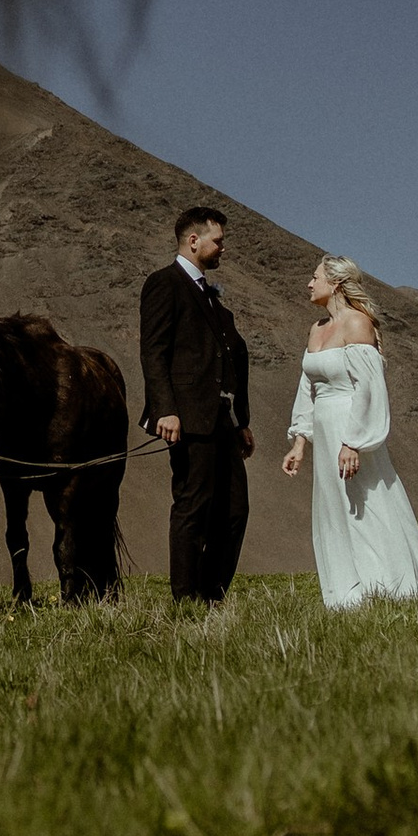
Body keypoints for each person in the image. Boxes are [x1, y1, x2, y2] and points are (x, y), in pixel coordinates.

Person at [280, 254, 418, 607]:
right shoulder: (316, 330)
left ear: (335, 283)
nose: (309, 283)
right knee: (334, 508)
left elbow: (368, 388)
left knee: (366, 505)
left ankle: (392, 587)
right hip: (323, 432)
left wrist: (354, 441)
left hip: (349, 428)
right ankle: (348, 596)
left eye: (315, 276)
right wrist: (300, 441)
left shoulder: (358, 324)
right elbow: (308, 388)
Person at [139, 204, 252, 605]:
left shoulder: (213, 299)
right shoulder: (164, 283)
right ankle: (186, 601)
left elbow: (231, 360)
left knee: (235, 510)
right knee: (192, 507)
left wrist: (242, 421)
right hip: (187, 418)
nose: (223, 248)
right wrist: (164, 409)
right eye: (218, 241)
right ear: (194, 240)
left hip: (223, 421)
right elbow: (153, 352)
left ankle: (211, 596)